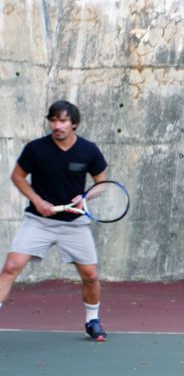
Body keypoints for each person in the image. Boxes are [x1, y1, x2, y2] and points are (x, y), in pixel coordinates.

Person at [0, 100, 110, 341]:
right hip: (38, 221)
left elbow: (102, 183)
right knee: (10, 267)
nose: (57, 125)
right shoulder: (35, 149)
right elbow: (17, 177)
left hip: (74, 223)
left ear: (74, 124)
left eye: (62, 121)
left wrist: (85, 197)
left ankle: (92, 320)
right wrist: (37, 200)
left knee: (90, 275)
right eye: (53, 120)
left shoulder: (89, 150)